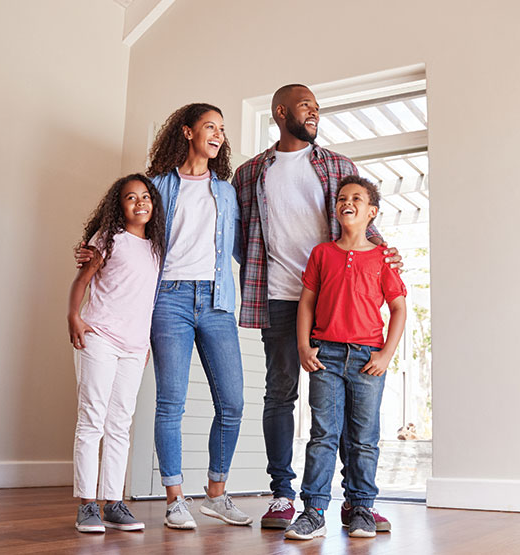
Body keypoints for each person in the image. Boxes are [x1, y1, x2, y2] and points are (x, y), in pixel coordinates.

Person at [232, 84, 402, 530]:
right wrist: (257, 268)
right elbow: (239, 236)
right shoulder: (249, 174)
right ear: (281, 111)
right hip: (279, 298)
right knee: (280, 394)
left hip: (334, 303)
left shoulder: (338, 166)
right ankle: (283, 495)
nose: (315, 112)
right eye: (306, 104)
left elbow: (361, 225)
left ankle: (354, 501)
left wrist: (386, 254)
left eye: (317, 106)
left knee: (345, 407)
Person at [146, 103, 251, 529]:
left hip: (217, 300)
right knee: (171, 403)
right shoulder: (157, 186)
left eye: (222, 129)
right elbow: (133, 234)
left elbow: (243, 249)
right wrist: (96, 252)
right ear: (187, 132)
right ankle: (174, 500)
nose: (219, 135)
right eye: (211, 126)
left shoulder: (225, 191)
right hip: (169, 298)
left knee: (233, 402)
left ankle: (216, 493)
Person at [285, 176, 407, 540]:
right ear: (336, 209)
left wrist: (386, 354)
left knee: (364, 438)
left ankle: (361, 508)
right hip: (327, 355)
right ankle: (314, 510)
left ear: (372, 212)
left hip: (369, 360)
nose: (346, 202)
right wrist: (304, 346)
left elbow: (399, 309)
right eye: (341, 198)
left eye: (356, 198)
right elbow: (306, 302)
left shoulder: (383, 258)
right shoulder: (322, 254)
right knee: (322, 434)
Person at [69, 174, 165, 533]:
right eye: (130, 197)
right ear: (118, 205)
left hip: (134, 347)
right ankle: (87, 504)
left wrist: (143, 346)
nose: (139, 202)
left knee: (120, 423)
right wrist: (73, 317)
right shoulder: (108, 239)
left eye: (145, 196)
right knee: (92, 417)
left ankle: (114, 501)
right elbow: (81, 281)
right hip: (99, 337)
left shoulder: (157, 247)